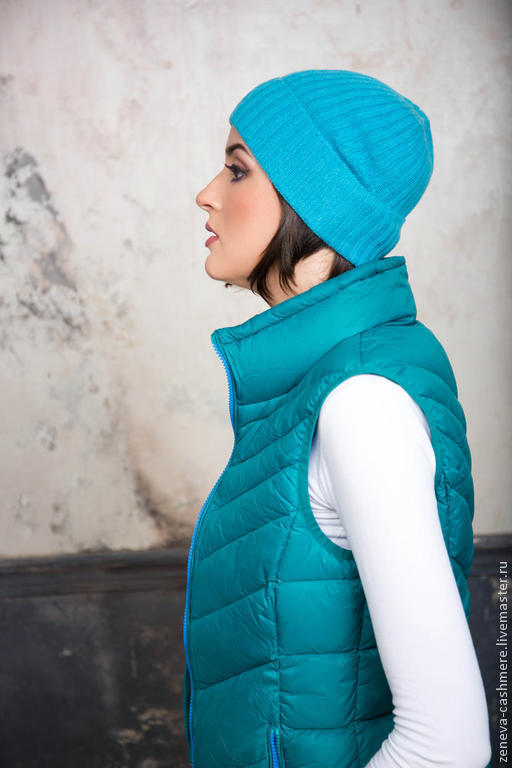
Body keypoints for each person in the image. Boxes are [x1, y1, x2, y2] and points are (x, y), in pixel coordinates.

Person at [183, 69, 492, 768]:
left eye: (238, 170)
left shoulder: (362, 405)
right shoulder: (319, 385)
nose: (207, 193)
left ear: (316, 205)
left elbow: (446, 746)